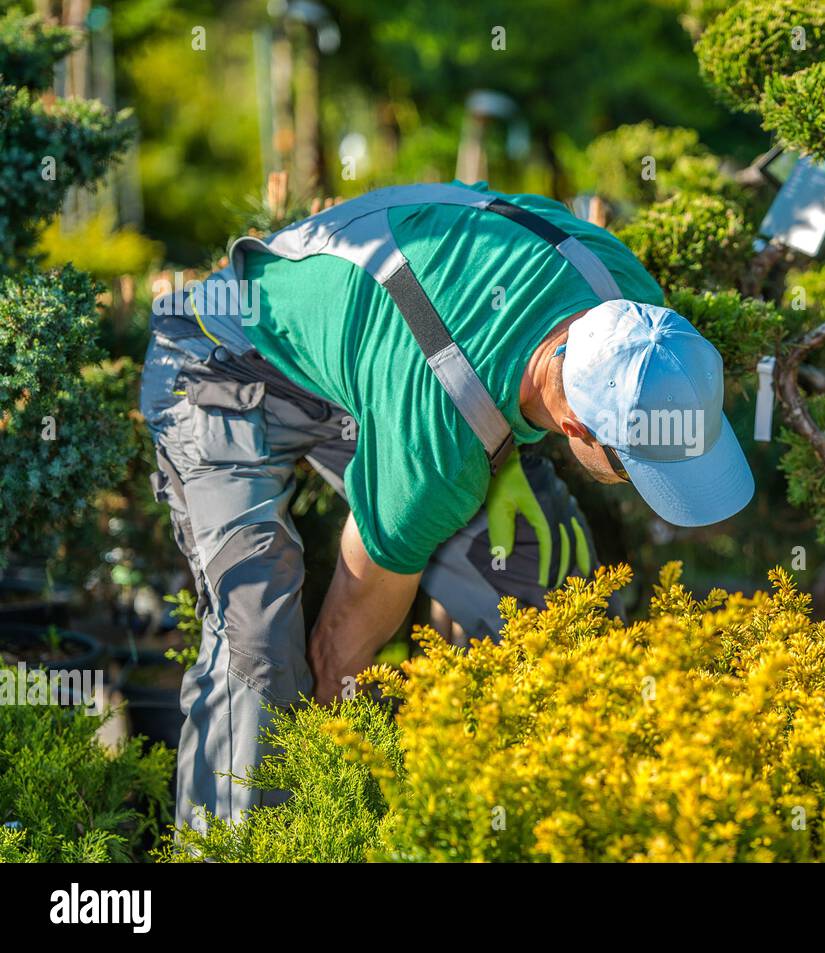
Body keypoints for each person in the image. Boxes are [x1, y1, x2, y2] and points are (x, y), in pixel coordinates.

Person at [139, 181, 755, 829]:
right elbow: (346, 631)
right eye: (638, 465)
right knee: (257, 637)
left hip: (373, 364)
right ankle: (243, 844)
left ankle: (510, 819)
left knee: (536, 571)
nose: (643, 482)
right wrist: (328, 770)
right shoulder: (438, 438)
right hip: (220, 357)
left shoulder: (635, 309)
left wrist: (508, 448)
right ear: (574, 426)